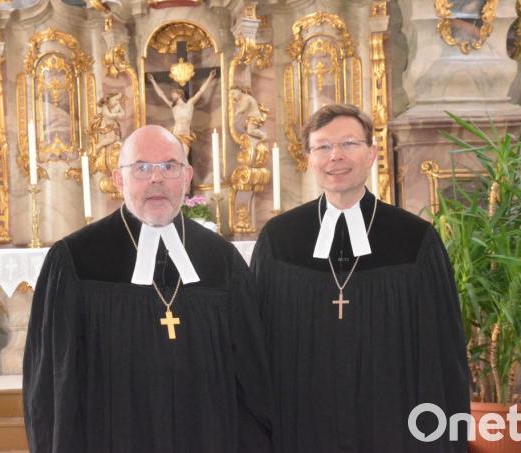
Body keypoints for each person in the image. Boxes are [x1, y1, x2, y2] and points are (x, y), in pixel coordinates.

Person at [23, 125, 274, 453]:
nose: (157, 178)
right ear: (118, 180)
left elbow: (251, 378)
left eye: (169, 166)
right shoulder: (75, 260)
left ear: (187, 178)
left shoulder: (222, 262)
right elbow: (51, 384)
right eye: (141, 167)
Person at [251, 104, 469, 452]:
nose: (335, 156)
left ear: (372, 153)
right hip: (302, 420)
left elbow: (443, 350)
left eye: (349, 143)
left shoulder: (414, 240)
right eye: (322, 146)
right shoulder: (279, 240)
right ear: (308, 158)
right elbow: (255, 347)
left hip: (394, 419)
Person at [147, 70, 216, 154]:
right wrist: (153, 81)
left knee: (184, 159)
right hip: (176, 134)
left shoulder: (190, 104)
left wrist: (210, 77)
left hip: (186, 135)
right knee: (176, 157)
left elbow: (200, 91)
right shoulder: (173, 106)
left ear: (180, 94)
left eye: (173, 94)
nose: (172, 96)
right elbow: (161, 95)